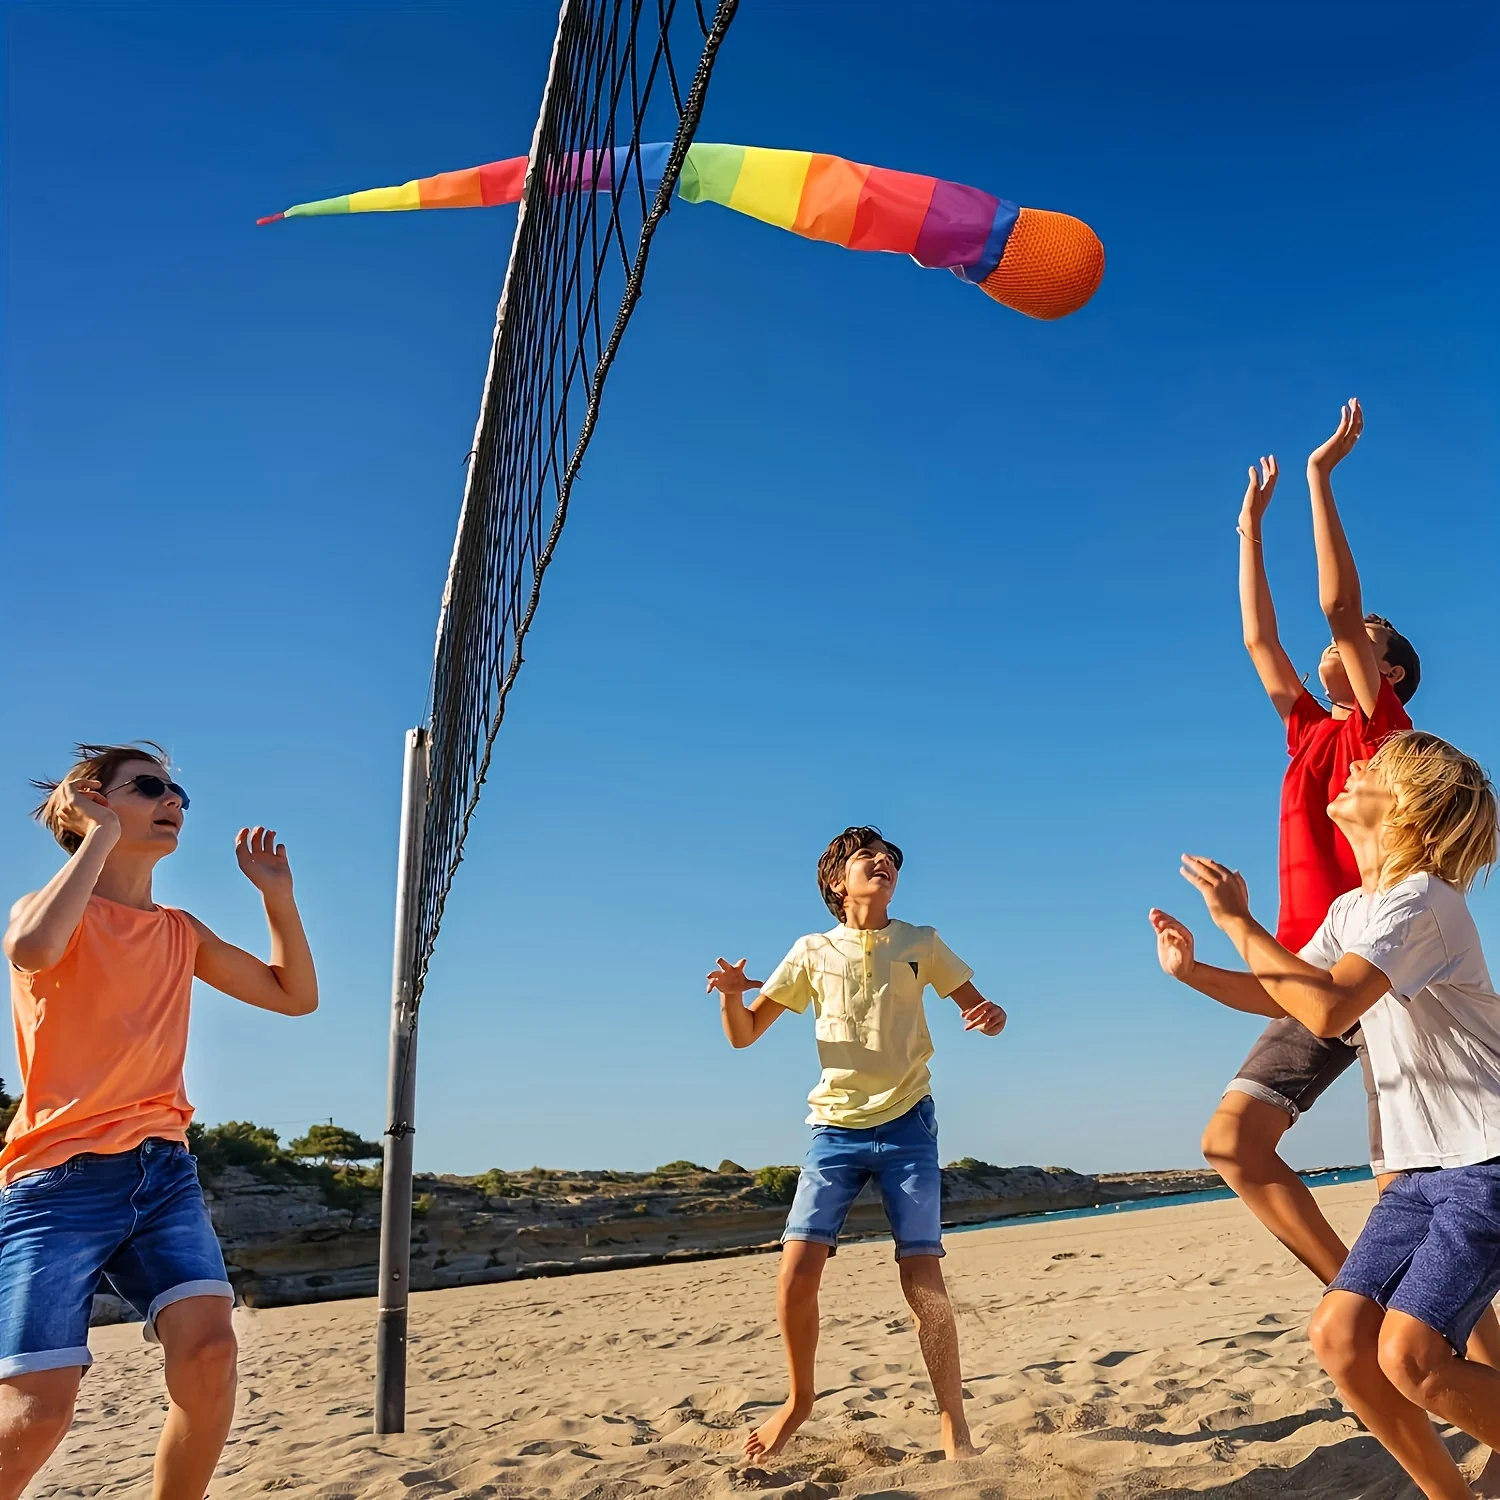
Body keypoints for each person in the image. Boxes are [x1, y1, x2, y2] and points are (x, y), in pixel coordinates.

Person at [1153, 730, 1500, 1499]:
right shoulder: (1358, 907)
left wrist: (1238, 922)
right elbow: (1296, 1000)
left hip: (1485, 1160)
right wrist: (1195, 971)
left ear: (1409, 808)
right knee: (1342, 1340)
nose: (1353, 771)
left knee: (1410, 1355)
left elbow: (1332, 1002)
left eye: (1371, 768)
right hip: (1419, 1172)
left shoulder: (1423, 904)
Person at [0, 743, 318, 1500]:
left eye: (177, 790)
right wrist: (100, 838)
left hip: (163, 1171)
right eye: (149, 786)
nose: (172, 798)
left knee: (210, 1355)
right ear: (91, 799)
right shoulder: (48, 911)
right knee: (36, 1413)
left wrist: (278, 896)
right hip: (56, 1183)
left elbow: (293, 995)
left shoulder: (181, 930)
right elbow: (32, 947)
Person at [1203, 398, 1426, 1284]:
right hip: (1309, 970)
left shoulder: (1384, 729)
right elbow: (1261, 638)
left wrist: (1317, 479)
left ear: (1390, 671)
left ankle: (1466, 1367)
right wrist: (1249, 531)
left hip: (1377, 967)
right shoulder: (1308, 731)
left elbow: (1338, 606)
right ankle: (1356, 1295)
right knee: (1234, 1141)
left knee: (1401, 1186)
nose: (1337, 647)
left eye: (1365, 645)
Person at [706, 826, 1006, 1464]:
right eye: (865, 856)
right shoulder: (812, 951)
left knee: (922, 1276)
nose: (882, 862)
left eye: (890, 858)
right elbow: (744, 1034)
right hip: (833, 1130)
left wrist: (989, 1016)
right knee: (795, 1273)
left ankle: (953, 1419)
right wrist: (733, 998)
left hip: (907, 1125)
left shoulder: (920, 942)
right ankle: (798, 1401)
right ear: (837, 882)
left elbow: (978, 1005)